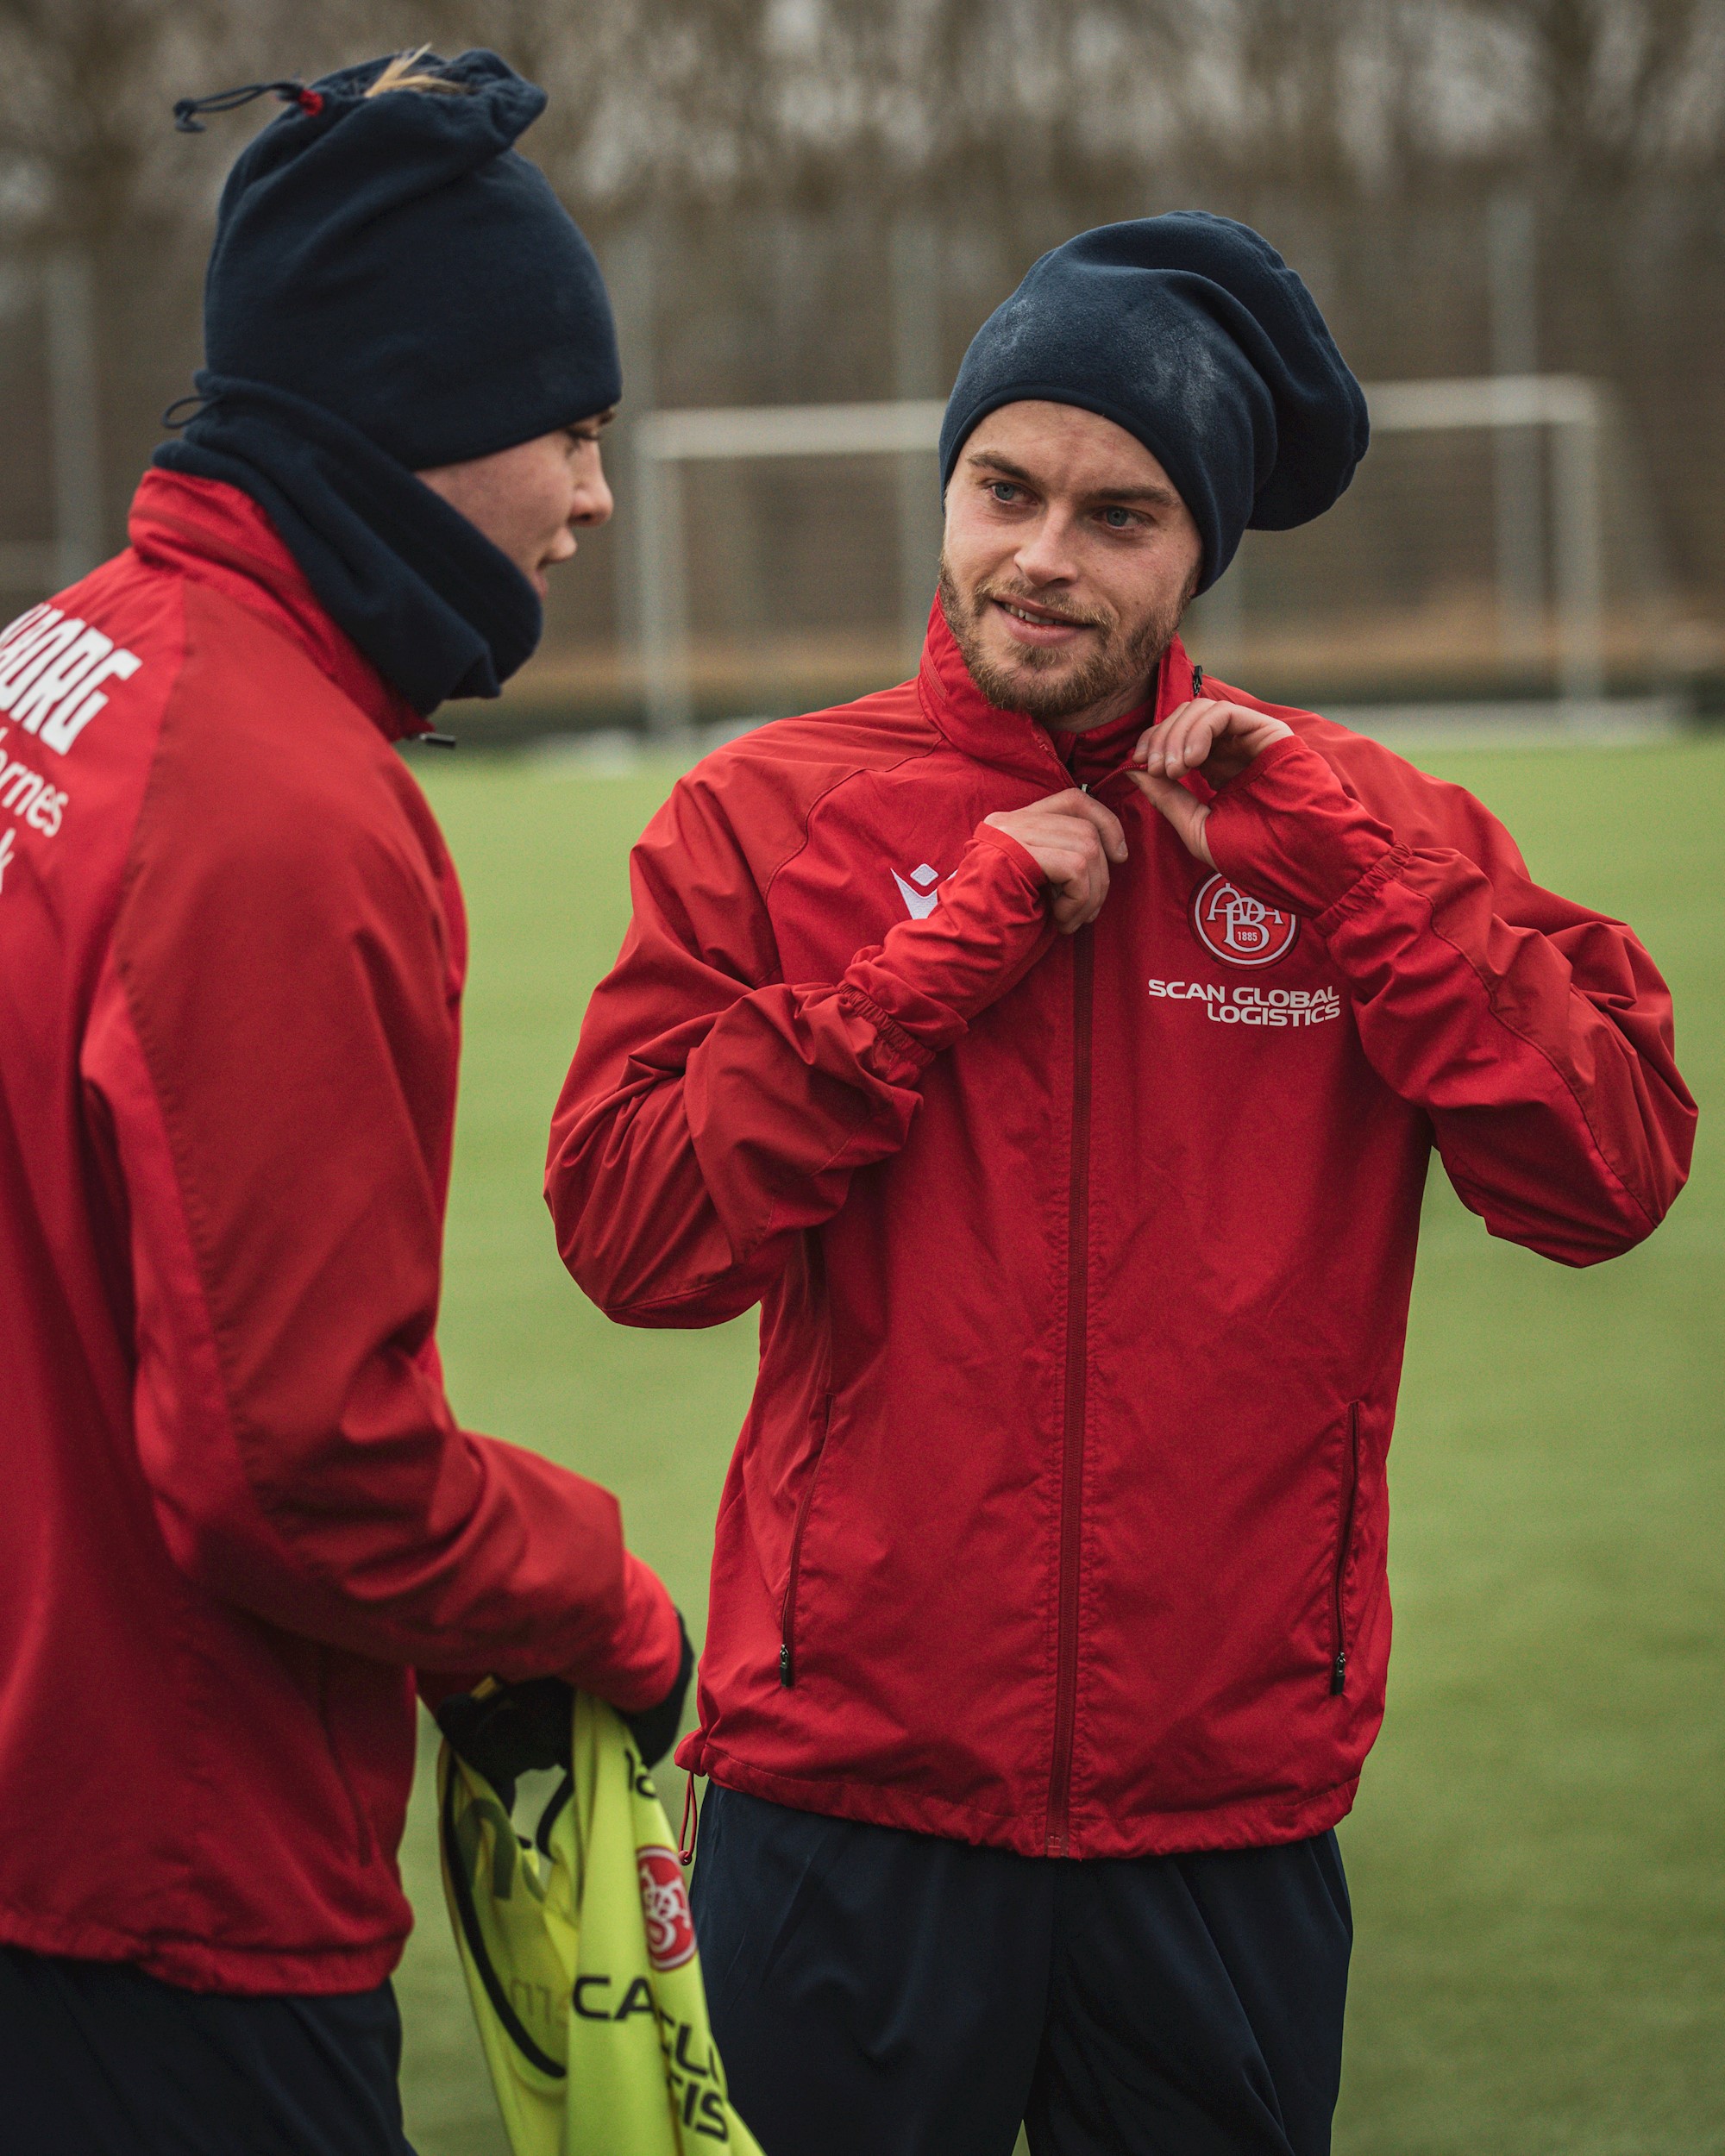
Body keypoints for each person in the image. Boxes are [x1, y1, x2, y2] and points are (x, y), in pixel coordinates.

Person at [547, 214, 1697, 2156]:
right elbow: (634, 1235)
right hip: (842, 1791)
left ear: (1199, 552)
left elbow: (1606, 1174)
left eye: (1120, 514)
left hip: (1220, 1812)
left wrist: (1348, 885)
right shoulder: (768, 816)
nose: (1043, 555)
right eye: (1005, 488)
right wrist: (943, 953)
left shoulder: (1361, 827)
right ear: (950, 490)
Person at [0, 48, 689, 2156]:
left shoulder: (62, 656)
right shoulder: (283, 806)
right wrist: (600, 1592)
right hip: (157, 1879)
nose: (592, 499)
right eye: (571, 431)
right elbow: (295, 1467)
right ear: (414, 416)